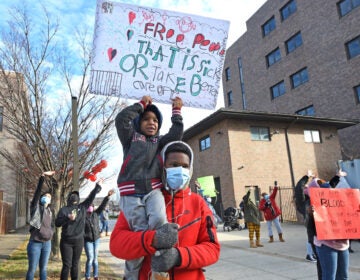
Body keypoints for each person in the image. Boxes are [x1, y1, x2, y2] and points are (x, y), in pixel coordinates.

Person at [110, 141, 220, 279]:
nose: (180, 170)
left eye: (185, 166)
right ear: (162, 167)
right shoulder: (142, 200)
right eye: (174, 165)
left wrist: (179, 256)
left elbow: (212, 249)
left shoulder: (198, 203)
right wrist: (152, 239)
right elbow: (116, 244)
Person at [115, 95, 183, 280]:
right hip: (130, 193)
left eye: (155, 120)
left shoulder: (158, 142)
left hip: (153, 189)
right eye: (146, 119)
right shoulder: (130, 138)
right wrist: (141, 105)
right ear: (138, 122)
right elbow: (121, 119)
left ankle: (159, 272)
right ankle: (131, 275)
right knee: (140, 235)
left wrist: (176, 112)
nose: (151, 123)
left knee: (160, 223)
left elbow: (176, 134)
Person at [306, 172, 350, 280]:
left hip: (343, 244)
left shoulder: (339, 200)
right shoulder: (312, 205)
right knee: (329, 276)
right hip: (326, 244)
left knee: (343, 276)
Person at [55, 181, 102, 280]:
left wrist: (97, 186)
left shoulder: (82, 207)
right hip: (66, 241)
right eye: (73, 195)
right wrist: (67, 218)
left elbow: (91, 197)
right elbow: (57, 223)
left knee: (75, 264)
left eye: (76, 195)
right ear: (69, 198)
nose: (74, 197)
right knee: (67, 265)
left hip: (78, 241)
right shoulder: (64, 209)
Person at [26, 170, 56, 280]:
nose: (47, 197)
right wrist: (42, 177)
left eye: (49, 197)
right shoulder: (36, 208)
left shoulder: (50, 211)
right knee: (32, 270)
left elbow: (52, 225)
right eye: (45, 196)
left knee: (43, 269)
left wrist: (51, 233)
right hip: (35, 243)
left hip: (47, 244)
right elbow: (37, 193)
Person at [84, 188, 114, 280]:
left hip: (96, 240)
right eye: (89, 206)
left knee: (95, 259)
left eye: (91, 206)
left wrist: (107, 196)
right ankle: (87, 276)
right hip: (87, 240)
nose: (90, 207)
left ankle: (95, 276)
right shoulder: (83, 217)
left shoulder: (96, 214)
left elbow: (102, 205)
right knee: (90, 259)